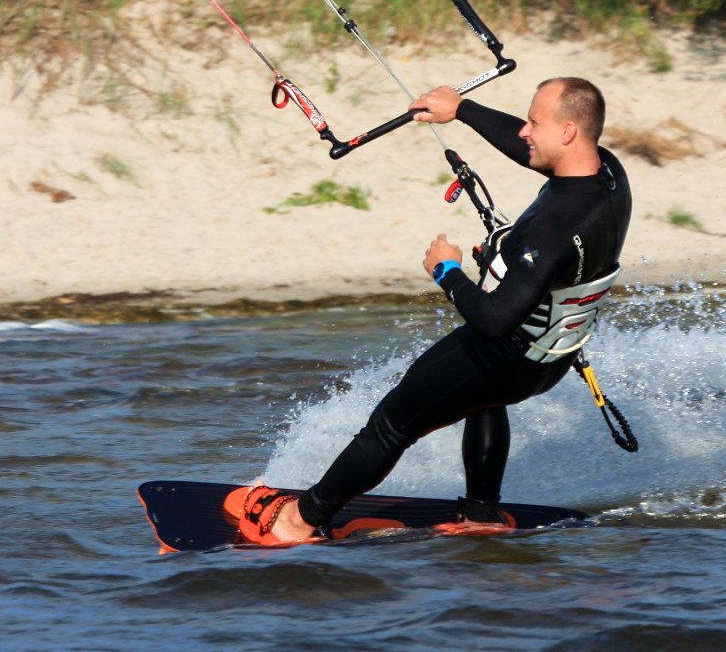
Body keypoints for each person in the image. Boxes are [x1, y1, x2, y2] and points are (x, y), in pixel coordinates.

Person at [232, 77, 632, 544]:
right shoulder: (607, 176)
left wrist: (447, 271)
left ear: (567, 132)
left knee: (391, 424)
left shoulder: (553, 228)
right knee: (483, 403)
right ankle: (482, 514)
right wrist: (462, 109)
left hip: (503, 357)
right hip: (551, 360)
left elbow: (494, 320)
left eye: (533, 123)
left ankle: (297, 521)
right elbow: (529, 161)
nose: (524, 131)